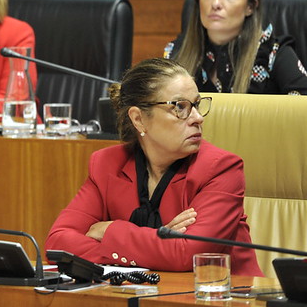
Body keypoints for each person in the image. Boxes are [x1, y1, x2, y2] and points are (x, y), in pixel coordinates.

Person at [45, 58, 263, 276]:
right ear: (138, 119)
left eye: (196, 105)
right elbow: (58, 243)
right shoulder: (106, 165)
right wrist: (158, 241)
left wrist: (110, 230)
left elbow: (188, 255)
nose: (197, 118)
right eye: (180, 107)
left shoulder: (221, 168)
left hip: (223, 299)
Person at [164, 0, 307, 94]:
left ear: (250, 7)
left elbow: (302, 107)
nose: (216, 3)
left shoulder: (273, 53)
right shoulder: (176, 52)